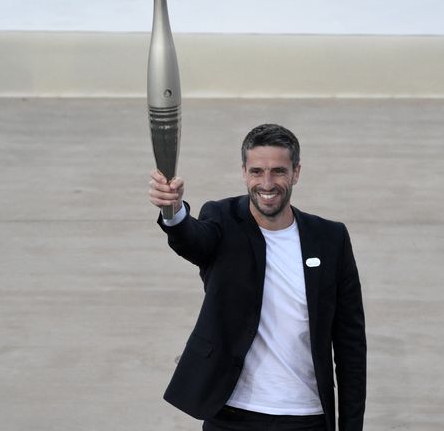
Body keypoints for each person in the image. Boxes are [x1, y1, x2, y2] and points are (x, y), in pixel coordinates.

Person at [149, 123, 366, 431]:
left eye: (278, 171)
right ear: (244, 173)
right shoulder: (223, 220)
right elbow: (192, 239)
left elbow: (350, 345)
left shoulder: (330, 238)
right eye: (256, 171)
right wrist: (173, 212)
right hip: (232, 415)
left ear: (296, 172)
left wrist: (352, 427)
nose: (267, 182)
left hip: (307, 417)